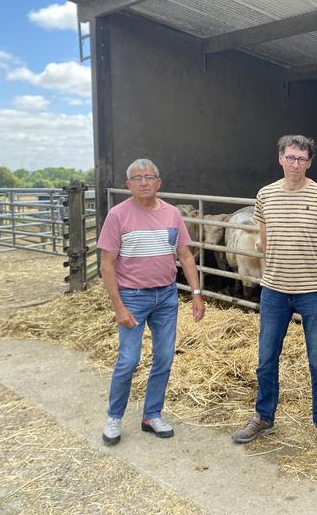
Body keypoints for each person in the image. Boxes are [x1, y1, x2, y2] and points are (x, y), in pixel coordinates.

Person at [231, 134, 317, 455]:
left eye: (302, 159)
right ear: (280, 157)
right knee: (266, 359)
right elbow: (264, 243)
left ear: (310, 162)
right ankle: (264, 417)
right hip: (274, 291)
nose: (296, 164)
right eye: (290, 157)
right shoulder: (265, 196)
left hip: (312, 293)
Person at [97, 158, 205, 445]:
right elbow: (107, 265)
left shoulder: (172, 214)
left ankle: (152, 414)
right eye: (137, 177)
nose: (143, 182)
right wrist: (118, 306)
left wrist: (195, 294)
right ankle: (114, 417)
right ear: (128, 184)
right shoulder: (118, 215)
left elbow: (185, 256)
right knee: (129, 360)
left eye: (149, 177)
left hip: (166, 296)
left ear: (159, 182)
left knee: (164, 357)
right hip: (132, 296)